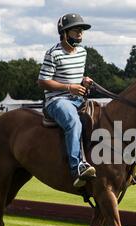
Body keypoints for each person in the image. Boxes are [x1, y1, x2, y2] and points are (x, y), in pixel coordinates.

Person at [38, 13, 96, 188]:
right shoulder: (53, 53)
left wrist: (83, 82)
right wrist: (70, 87)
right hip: (56, 101)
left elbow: (75, 79)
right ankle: (76, 167)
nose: (80, 33)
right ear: (64, 33)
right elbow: (42, 81)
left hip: (77, 99)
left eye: (81, 30)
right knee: (73, 122)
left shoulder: (82, 52)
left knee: (105, 118)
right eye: (76, 30)